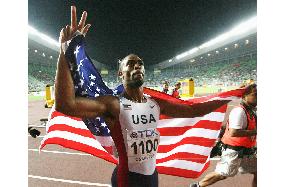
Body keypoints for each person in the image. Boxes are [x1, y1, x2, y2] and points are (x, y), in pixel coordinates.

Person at [55, 6, 230, 187]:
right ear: (120, 74)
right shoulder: (113, 104)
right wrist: (64, 52)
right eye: (130, 64)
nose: (137, 67)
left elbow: (194, 110)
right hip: (128, 180)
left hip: (152, 178)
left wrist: (232, 96)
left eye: (140, 64)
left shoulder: (155, 103)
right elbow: (65, 105)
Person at [190, 84, 257, 187]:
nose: (258, 97)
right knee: (222, 174)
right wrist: (256, 132)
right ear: (244, 96)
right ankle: (197, 186)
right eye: (255, 94)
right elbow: (233, 132)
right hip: (234, 151)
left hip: (247, 151)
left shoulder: (251, 111)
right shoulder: (239, 111)